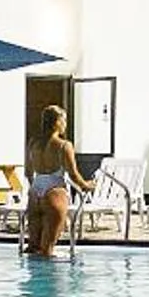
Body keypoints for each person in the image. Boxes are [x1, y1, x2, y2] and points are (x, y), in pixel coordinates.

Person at [22, 103, 94, 258]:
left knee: (33, 248)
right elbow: (73, 175)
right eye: (64, 120)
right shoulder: (64, 146)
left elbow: (28, 172)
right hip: (54, 191)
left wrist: (35, 188)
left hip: (35, 192)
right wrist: (87, 185)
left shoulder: (33, 143)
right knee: (47, 250)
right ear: (57, 122)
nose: (65, 124)